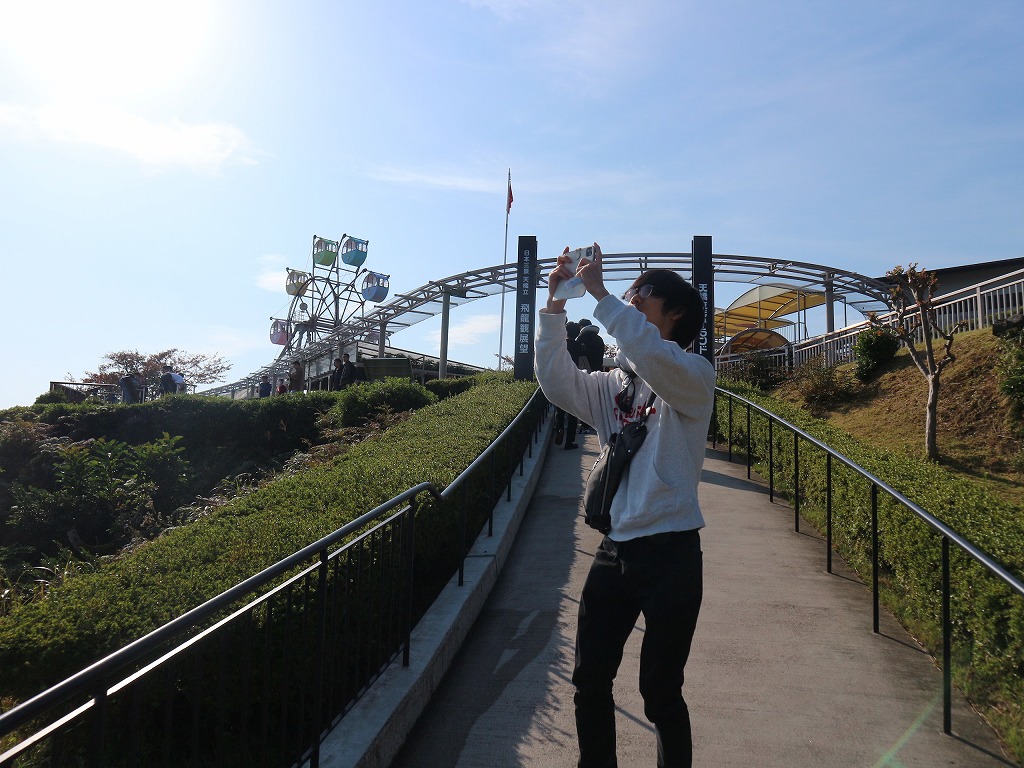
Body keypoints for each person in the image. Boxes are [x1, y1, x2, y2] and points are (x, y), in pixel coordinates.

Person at [535, 242, 715, 768]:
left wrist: (603, 297)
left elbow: (653, 356)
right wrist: (555, 306)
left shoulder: (694, 376)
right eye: (630, 293)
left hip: (671, 552)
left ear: (676, 312)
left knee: (660, 692)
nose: (631, 299)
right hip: (615, 550)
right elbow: (557, 381)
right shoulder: (618, 384)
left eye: (643, 294)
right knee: (589, 679)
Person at [554, 321, 584, 450]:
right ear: (577, 333)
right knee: (573, 412)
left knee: (559, 408)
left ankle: (559, 428)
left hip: (560, 378)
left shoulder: (561, 345)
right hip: (573, 378)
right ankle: (569, 442)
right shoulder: (579, 346)